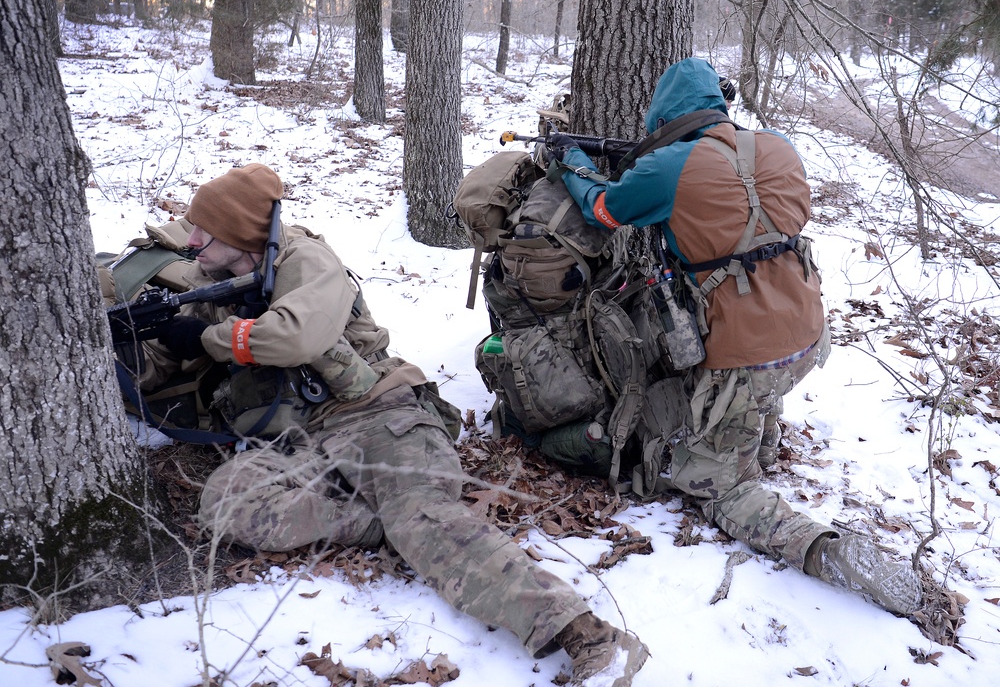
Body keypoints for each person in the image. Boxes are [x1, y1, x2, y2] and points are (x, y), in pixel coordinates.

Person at [138, 163, 648, 687]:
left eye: (205, 230)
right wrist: (137, 338)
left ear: (238, 232)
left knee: (429, 520)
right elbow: (159, 365)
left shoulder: (305, 259)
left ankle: (588, 635)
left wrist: (203, 338)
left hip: (381, 416)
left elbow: (295, 337)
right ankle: (388, 523)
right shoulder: (211, 282)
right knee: (226, 502)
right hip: (306, 441)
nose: (192, 240)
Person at [546, 58, 923, 616]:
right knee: (753, 382)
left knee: (714, 484)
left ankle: (829, 552)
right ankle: (758, 442)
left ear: (664, 115)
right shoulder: (779, 148)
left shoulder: (671, 167)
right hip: (807, 333)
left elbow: (603, 208)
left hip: (748, 353)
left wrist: (573, 162)